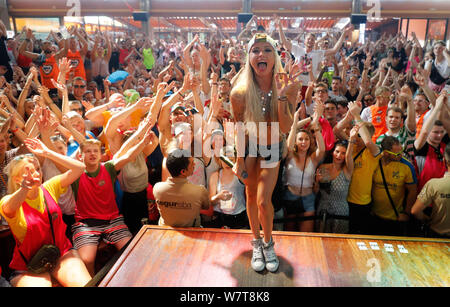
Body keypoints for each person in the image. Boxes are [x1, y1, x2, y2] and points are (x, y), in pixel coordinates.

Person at [230, 33, 301, 272]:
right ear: (249, 58)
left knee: (263, 201)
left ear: (275, 57)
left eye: (267, 50)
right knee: (250, 197)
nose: (261, 54)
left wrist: (281, 95)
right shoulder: (239, 93)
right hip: (249, 147)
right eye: (256, 50)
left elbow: (284, 127)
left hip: (272, 146)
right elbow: (239, 128)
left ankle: (269, 242)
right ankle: (256, 242)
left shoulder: (290, 86)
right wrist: (239, 159)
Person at [0, 138, 90, 287]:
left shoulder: (49, 187)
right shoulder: (8, 200)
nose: (35, 174)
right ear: (16, 179)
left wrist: (47, 153)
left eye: (37, 169)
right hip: (29, 266)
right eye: (26, 172)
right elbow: (8, 209)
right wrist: (24, 189)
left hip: (61, 253)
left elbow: (79, 168)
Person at [71, 137, 149, 276]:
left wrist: (143, 142)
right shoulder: (75, 173)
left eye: (95, 151)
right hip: (86, 223)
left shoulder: (108, 167)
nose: (92, 154)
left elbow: (129, 156)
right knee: (86, 259)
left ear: (101, 155)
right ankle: (91, 283)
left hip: (113, 220)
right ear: (80, 155)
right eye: (88, 151)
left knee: (130, 252)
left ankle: (126, 280)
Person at [283, 109, 325, 232]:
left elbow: (321, 149)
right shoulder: (290, 156)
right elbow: (288, 147)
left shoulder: (313, 158)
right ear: (296, 141)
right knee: (290, 236)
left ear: (310, 141)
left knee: (306, 236)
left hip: (308, 199)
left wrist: (316, 126)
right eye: (300, 139)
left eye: (306, 139)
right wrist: (295, 123)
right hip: (290, 197)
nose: (303, 142)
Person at [370, 136, 417, 236]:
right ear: (386, 153)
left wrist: (406, 213)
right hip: (374, 216)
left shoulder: (407, 166)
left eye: (402, 151)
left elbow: (413, 191)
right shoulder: (375, 162)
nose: (401, 155)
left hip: (395, 219)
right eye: (397, 154)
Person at [153, 149, 211, 228]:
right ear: (183, 172)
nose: (194, 164)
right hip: (192, 232)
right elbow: (206, 207)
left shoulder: (157, 188)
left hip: (164, 231)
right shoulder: (199, 191)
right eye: (191, 163)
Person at [315, 128, 357, 234]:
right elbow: (315, 192)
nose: (339, 155)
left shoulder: (347, 170)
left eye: (343, 153)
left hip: (340, 212)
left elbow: (349, 156)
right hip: (323, 209)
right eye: (337, 151)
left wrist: (351, 139)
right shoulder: (323, 167)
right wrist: (316, 182)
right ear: (333, 152)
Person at [411, 143, 450, 238]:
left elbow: (415, 211)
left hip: (437, 235)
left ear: (445, 161)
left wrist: (427, 219)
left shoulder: (434, 185)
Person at [413, 92, 449, 193]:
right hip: (424, 199)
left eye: (442, 132)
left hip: (443, 197)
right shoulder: (421, 147)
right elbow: (424, 132)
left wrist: (446, 105)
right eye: (435, 132)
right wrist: (437, 107)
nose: (439, 135)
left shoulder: (444, 145)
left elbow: (447, 121)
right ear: (429, 132)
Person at [207, 145, 248, 229]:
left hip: (238, 217)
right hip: (219, 217)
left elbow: (252, 187)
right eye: (224, 160)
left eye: (231, 160)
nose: (227, 163)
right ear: (220, 161)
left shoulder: (240, 175)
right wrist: (218, 197)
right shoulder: (215, 175)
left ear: (236, 160)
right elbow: (211, 202)